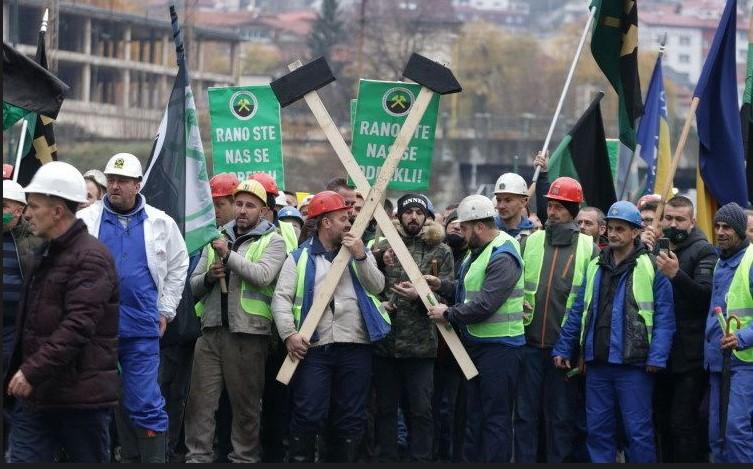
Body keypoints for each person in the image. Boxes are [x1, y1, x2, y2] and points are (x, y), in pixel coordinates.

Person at [77, 152, 189, 463]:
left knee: (145, 401)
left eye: (122, 181)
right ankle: (124, 457)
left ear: (137, 185)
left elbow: (180, 264)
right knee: (99, 400)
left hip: (142, 329)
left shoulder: (161, 222)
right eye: (111, 179)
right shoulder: (86, 221)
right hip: (97, 329)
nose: (114, 186)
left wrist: (166, 309)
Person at [4, 162, 119, 463]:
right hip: (37, 398)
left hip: (79, 399)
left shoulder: (92, 258)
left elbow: (77, 326)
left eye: (34, 206)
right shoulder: (45, 252)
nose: (27, 213)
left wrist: (31, 370)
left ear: (57, 211)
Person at [552, 200, 675, 463]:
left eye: (621, 228)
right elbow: (578, 310)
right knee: (598, 432)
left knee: (638, 433)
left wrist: (657, 357)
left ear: (635, 232)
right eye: (611, 228)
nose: (614, 233)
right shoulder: (595, 265)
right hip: (598, 364)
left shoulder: (653, 266)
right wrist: (565, 347)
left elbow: (665, 317)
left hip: (634, 365)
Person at [271, 190, 388, 463]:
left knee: (351, 418)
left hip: (356, 346)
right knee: (309, 413)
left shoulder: (359, 252)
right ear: (325, 223)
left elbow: (378, 286)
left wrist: (361, 257)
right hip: (314, 349)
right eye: (342, 218)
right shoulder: (298, 258)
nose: (349, 224)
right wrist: (289, 334)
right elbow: (281, 299)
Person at [184, 179, 287, 463]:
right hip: (211, 333)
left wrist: (228, 256)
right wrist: (208, 277)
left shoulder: (273, 241)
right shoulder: (216, 237)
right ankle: (197, 458)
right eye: (239, 203)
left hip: (248, 335)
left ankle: (244, 458)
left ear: (264, 211)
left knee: (245, 408)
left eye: (250, 205)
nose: (242, 210)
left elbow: (263, 275)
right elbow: (192, 288)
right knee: (200, 405)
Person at [426, 194, 525, 463]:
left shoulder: (503, 254)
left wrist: (448, 313)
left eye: (466, 228)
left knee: (496, 420)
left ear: (479, 227)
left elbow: (485, 304)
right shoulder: (477, 253)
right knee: (476, 416)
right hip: (479, 346)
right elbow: (468, 291)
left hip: (501, 349)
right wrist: (442, 286)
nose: (462, 233)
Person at [514, 177, 597, 463]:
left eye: (560, 207)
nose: (552, 212)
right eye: (550, 205)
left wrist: (578, 348)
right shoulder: (530, 242)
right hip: (528, 345)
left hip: (564, 350)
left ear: (574, 209)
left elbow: (590, 305)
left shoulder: (589, 248)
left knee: (560, 420)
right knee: (525, 416)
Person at [371, 194, 454, 462]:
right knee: (385, 411)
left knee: (421, 411)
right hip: (386, 345)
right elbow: (369, 287)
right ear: (399, 216)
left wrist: (419, 298)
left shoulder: (441, 250)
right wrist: (382, 306)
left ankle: (421, 459)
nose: (413, 217)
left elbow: (447, 294)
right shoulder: (384, 247)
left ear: (427, 216)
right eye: (408, 212)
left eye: (419, 212)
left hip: (421, 347)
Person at [645, 196, 717, 462]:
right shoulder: (659, 246)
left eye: (680, 219)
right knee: (659, 422)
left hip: (689, 356)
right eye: (669, 218)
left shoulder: (704, 251)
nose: (673, 223)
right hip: (659, 352)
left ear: (692, 221)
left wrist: (677, 275)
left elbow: (705, 296)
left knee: (682, 424)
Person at [704, 202, 753, 463]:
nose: (721, 232)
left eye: (727, 227)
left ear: (740, 231)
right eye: (718, 226)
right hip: (718, 363)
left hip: (745, 363)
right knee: (717, 438)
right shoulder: (720, 263)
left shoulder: (751, 260)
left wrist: (742, 338)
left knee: (736, 434)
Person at [2, 179, 43, 457]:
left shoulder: (35, 241)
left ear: (19, 210)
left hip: (17, 332)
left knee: (13, 393)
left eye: (3, 206)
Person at [431, 208, 469, 462]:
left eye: (460, 224)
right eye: (451, 223)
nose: (455, 227)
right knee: (433, 405)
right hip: (434, 345)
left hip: (462, 345)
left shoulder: (472, 259)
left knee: (456, 407)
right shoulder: (436, 253)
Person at [492, 172, 534, 241]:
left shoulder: (533, 236)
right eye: (499, 200)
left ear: (523, 202)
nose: (501, 206)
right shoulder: (487, 233)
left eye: (508, 200)